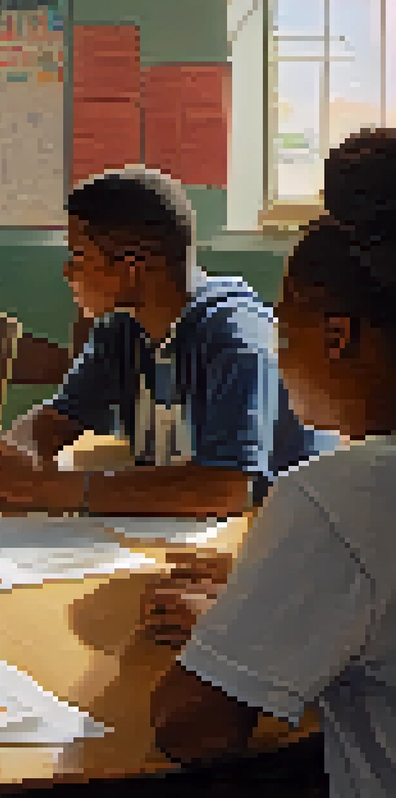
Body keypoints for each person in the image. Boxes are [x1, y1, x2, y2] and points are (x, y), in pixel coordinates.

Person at [149, 127, 396, 798]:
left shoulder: (340, 494)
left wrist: (236, 633)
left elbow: (191, 727)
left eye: (284, 331)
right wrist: (272, 587)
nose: (278, 357)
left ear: (337, 336)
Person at [0, 167, 332, 517]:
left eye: (79, 255)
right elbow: (62, 419)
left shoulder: (233, 337)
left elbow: (227, 487)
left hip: (277, 535)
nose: (68, 271)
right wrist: (3, 452)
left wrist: (53, 489)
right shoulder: (122, 329)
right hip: (183, 532)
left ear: (133, 267)